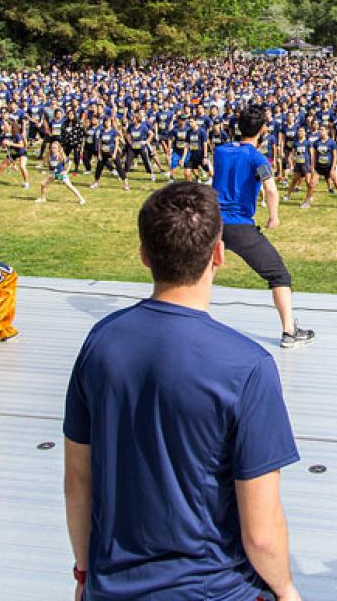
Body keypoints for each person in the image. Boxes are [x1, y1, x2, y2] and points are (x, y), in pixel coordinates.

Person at [64, 182, 301, 601]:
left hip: (112, 586)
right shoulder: (248, 366)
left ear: (144, 254)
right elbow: (261, 533)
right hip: (212, 588)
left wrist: (84, 574)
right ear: (219, 254)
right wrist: (285, 589)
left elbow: (78, 482)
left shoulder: (100, 342)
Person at [213, 104, 314, 348]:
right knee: (279, 275)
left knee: (204, 273)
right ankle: (289, 332)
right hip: (240, 226)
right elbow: (270, 189)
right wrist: (273, 216)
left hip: (213, 223)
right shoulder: (258, 158)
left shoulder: (220, 151)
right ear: (262, 130)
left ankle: (191, 320)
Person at [304, 123, 337, 210]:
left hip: (330, 167)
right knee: (311, 184)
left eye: (322, 130)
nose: (320, 131)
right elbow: (314, 156)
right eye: (320, 130)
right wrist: (312, 166)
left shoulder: (332, 142)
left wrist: (332, 169)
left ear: (327, 131)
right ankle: (307, 202)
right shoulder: (317, 142)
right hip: (319, 167)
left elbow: (335, 156)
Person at [37, 140, 87, 205]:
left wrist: (66, 171)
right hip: (53, 174)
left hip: (60, 174)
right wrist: (40, 167)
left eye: (55, 148)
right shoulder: (48, 154)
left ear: (58, 148)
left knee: (69, 186)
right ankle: (43, 198)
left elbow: (69, 162)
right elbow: (43, 163)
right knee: (43, 184)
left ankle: (82, 199)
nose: (53, 149)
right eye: (52, 147)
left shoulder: (61, 155)